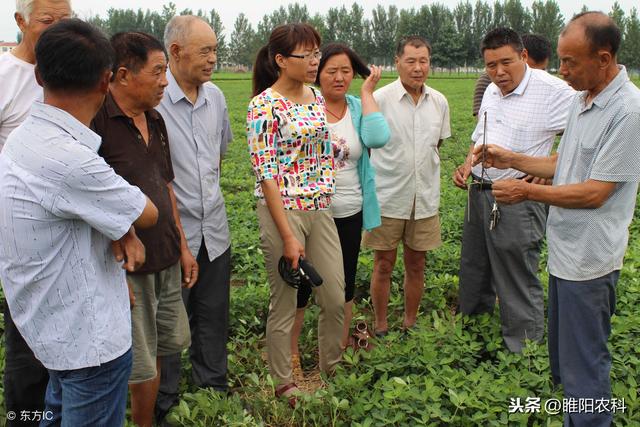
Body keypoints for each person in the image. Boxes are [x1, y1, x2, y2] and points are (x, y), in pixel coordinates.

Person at [474, 12, 639, 425]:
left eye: (570, 62)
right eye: (561, 60)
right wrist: (511, 159)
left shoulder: (628, 112)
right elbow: (563, 162)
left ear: (603, 59)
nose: (562, 71)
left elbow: (595, 191)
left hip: (589, 262)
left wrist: (526, 190)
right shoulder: (584, 100)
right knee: (566, 363)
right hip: (565, 255)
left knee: (585, 363)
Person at [0, 19, 159, 425]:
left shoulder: (20, 141)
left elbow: (80, 207)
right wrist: (125, 224)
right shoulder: (72, 162)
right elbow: (147, 212)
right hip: (89, 342)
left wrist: (117, 226)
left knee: (54, 411)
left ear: (39, 74)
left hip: (48, 329)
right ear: (107, 82)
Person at [91, 31, 193, 427]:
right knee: (140, 359)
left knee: (166, 346)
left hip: (165, 255)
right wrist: (120, 232)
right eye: (157, 72)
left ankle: (150, 416)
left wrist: (182, 246)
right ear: (122, 75)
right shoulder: (96, 121)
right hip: (127, 267)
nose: (165, 81)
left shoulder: (155, 119)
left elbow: (166, 187)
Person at [453, 28, 575, 353]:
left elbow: (587, 138)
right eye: (491, 65)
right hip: (479, 191)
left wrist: (551, 166)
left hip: (518, 197)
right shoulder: (493, 90)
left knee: (516, 273)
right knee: (474, 268)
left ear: (523, 56)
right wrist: (468, 164)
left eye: (506, 63)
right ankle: (473, 333)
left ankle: (522, 351)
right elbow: (480, 136)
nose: (499, 72)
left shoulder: (554, 91)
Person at [247, 23, 345, 404]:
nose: (315, 62)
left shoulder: (317, 97)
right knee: (285, 299)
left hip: (320, 207)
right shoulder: (263, 105)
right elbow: (266, 171)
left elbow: (320, 150)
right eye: (307, 56)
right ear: (281, 60)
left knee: (334, 296)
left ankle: (331, 371)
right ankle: (284, 382)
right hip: (282, 210)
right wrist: (287, 234)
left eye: (316, 54)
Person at [290, 43, 390, 369]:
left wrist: (368, 92)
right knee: (303, 282)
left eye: (346, 70)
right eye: (331, 70)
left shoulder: (357, 107)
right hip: (312, 210)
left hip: (350, 208)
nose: (339, 77)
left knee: (345, 280)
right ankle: (291, 351)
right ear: (317, 74)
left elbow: (377, 138)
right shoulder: (307, 105)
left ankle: (340, 346)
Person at [155, 15, 233, 421]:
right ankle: (165, 400)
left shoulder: (216, 98)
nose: (213, 59)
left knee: (213, 312)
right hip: (173, 234)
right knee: (170, 319)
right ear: (175, 52)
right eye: (205, 51)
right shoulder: (154, 100)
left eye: (215, 50)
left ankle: (213, 387)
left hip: (214, 229)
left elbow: (218, 157)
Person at [0, 1, 71, 423]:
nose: (60, 27)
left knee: (70, 338)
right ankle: (25, 418)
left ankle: (61, 414)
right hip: (25, 236)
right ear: (21, 21)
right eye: (49, 20)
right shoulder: (5, 77)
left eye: (67, 19)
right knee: (27, 340)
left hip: (74, 232)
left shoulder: (73, 70)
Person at [364, 36, 451, 336]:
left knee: (417, 265)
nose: (418, 68)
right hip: (387, 197)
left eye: (423, 61)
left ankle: (410, 323)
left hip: (424, 198)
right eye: (411, 61)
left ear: (430, 63)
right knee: (383, 264)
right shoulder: (381, 99)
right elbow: (369, 146)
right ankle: (381, 324)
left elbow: (436, 144)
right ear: (397, 62)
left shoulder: (439, 102)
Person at [472, 33, 552, 118]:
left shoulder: (551, 88)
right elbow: (484, 123)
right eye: (529, 69)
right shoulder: (487, 82)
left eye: (542, 70)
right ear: (522, 57)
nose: (536, 76)